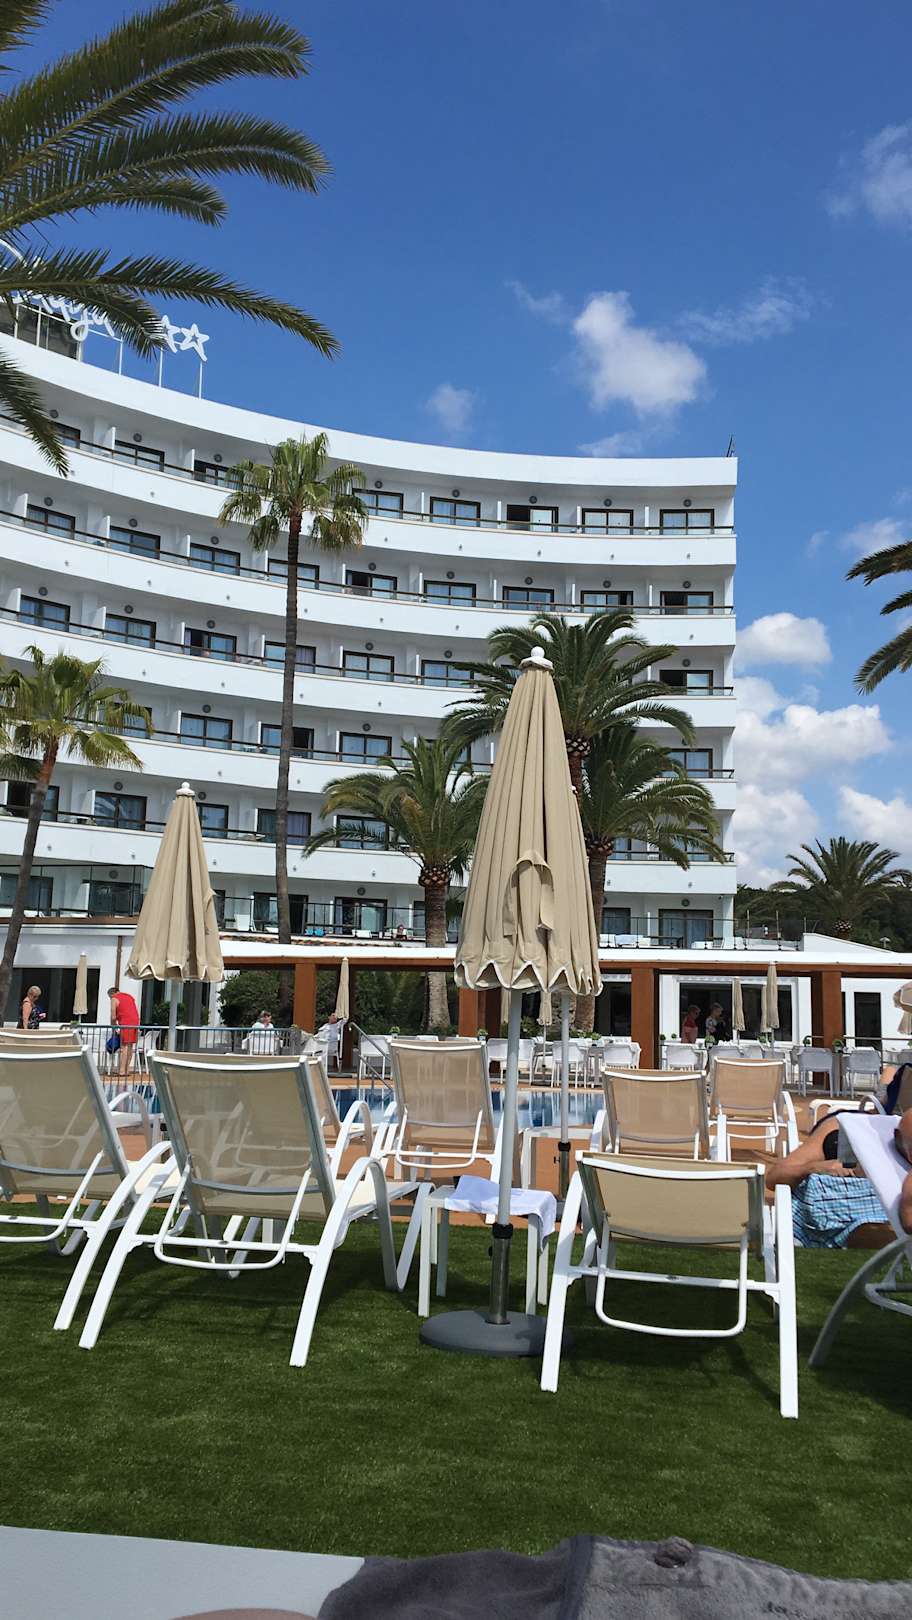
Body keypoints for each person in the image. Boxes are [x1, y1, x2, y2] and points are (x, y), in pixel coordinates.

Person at [766, 1110, 892, 1248]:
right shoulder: (839, 1128)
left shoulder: (893, 1130)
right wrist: (814, 1167)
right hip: (823, 1217)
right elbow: (775, 1177)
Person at [109, 984, 140, 1077]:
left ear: (111, 994)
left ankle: (121, 1071)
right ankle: (126, 1070)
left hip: (126, 1022)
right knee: (130, 1046)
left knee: (124, 1047)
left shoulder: (114, 998)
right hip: (135, 1021)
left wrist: (113, 1027)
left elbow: (113, 1016)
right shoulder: (129, 996)